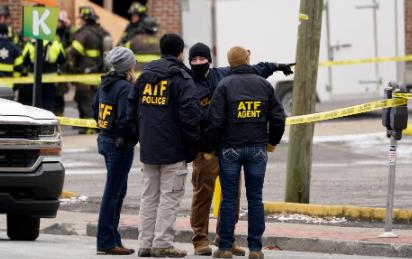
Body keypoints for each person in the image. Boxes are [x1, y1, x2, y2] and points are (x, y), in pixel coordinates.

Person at [188, 42, 293, 256]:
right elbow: (277, 117)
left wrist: (275, 66)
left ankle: (225, 242)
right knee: (207, 194)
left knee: (230, 197)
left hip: (226, 147)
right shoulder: (188, 83)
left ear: (212, 59)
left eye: (202, 58)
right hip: (219, 147)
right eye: (194, 59)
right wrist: (271, 141)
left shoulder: (224, 79)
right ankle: (206, 240)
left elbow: (215, 120)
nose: (199, 62)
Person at [127, 33, 201, 258]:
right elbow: (190, 116)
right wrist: (195, 144)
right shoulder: (181, 79)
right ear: (180, 53)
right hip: (173, 149)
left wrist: (140, 136)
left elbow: (131, 109)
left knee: (149, 197)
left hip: (149, 148)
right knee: (170, 196)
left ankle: (146, 244)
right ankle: (162, 243)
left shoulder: (145, 76)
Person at [92, 47, 138, 255]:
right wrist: (131, 135)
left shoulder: (106, 83)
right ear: (129, 65)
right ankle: (105, 241)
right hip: (120, 145)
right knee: (113, 193)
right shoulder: (125, 87)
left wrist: (105, 129)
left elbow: (95, 108)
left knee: (118, 192)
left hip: (105, 140)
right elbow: (126, 118)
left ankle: (112, 238)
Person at [70, 6, 111, 134]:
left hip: (85, 73)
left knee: (85, 99)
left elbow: (74, 52)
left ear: (85, 19)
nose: (80, 21)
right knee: (98, 99)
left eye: (81, 18)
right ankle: (97, 125)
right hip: (100, 73)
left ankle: (88, 127)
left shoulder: (83, 33)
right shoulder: (103, 32)